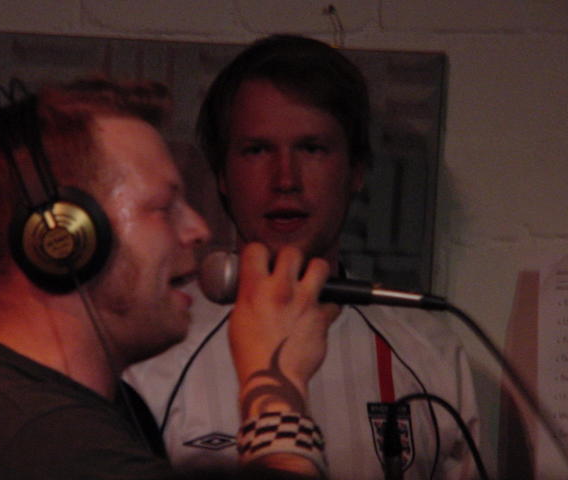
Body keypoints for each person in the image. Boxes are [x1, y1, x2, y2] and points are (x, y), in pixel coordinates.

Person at [0, 77, 339, 479]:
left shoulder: (53, 411)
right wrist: (275, 384)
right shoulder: (38, 440)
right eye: (164, 207)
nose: (198, 229)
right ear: (65, 238)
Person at [126, 34, 480, 479]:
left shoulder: (429, 349)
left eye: (312, 148)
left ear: (355, 170)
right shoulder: (154, 350)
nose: (285, 179)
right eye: (257, 150)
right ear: (222, 175)